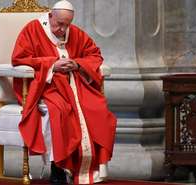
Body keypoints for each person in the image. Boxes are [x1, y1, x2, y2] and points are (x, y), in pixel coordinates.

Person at [11, 0, 117, 184]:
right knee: (59, 110)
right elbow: (19, 58)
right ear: (50, 15)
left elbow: (94, 54)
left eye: (67, 24)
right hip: (46, 87)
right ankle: (58, 169)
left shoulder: (73, 32)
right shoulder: (32, 30)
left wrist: (77, 64)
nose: (62, 30)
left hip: (76, 85)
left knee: (98, 110)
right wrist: (52, 64)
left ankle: (91, 169)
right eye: (59, 24)